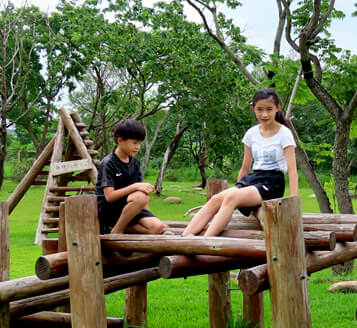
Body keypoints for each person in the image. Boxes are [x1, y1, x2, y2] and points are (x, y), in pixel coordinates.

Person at [182, 88, 298, 237]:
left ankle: (205, 241)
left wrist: (293, 202)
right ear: (253, 109)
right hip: (253, 179)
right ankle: (184, 238)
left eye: (269, 109)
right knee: (216, 199)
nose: (264, 114)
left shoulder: (284, 134)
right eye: (259, 109)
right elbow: (245, 168)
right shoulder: (251, 133)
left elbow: (293, 171)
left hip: (272, 183)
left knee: (231, 197)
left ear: (277, 108)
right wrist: (239, 190)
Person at [96, 119, 168, 235]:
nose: (138, 147)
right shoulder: (108, 163)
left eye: (140, 143)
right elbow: (109, 197)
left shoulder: (135, 163)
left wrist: (149, 216)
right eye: (134, 143)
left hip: (129, 208)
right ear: (120, 140)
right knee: (139, 195)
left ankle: (117, 228)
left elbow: (143, 194)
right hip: (109, 210)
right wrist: (134, 187)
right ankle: (116, 230)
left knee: (157, 227)